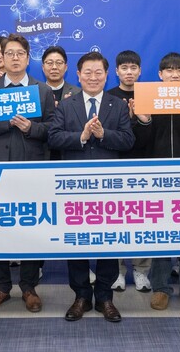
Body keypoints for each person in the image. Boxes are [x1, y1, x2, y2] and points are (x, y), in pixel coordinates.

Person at [0, 33, 55, 314]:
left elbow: (52, 129)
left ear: (28, 58)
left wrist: (30, 128)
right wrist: (7, 122)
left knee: (31, 226)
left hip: (32, 167)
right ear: (1, 57)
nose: (15, 58)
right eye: (9, 53)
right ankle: (1, 287)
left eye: (20, 53)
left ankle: (29, 286)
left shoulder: (41, 90)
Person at [48, 51, 135, 323]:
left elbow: (128, 140)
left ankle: (105, 297)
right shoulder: (66, 105)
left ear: (107, 75)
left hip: (109, 186)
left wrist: (104, 134)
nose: (93, 77)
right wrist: (82, 136)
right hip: (74, 186)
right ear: (78, 75)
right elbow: (53, 138)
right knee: (77, 241)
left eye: (99, 72)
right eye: (88, 72)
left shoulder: (117, 105)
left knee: (108, 240)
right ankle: (81, 296)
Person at [133, 53, 180, 312]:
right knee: (161, 233)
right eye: (169, 70)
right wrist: (143, 120)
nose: (175, 74)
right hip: (157, 178)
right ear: (160, 74)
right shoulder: (148, 98)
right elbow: (137, 144)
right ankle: (161, 287)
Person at [106, 50, 151, 292]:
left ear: (140, 71)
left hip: (143, 165)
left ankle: (142, 270)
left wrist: (140, 120)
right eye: (124, 68)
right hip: (115, 165)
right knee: (115, 220)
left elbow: (152, 133)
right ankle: (118, 272)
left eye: (133, 68)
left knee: (143, 219)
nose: (129, 72)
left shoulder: (149, 94)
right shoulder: (109, 97)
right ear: (116, 71)